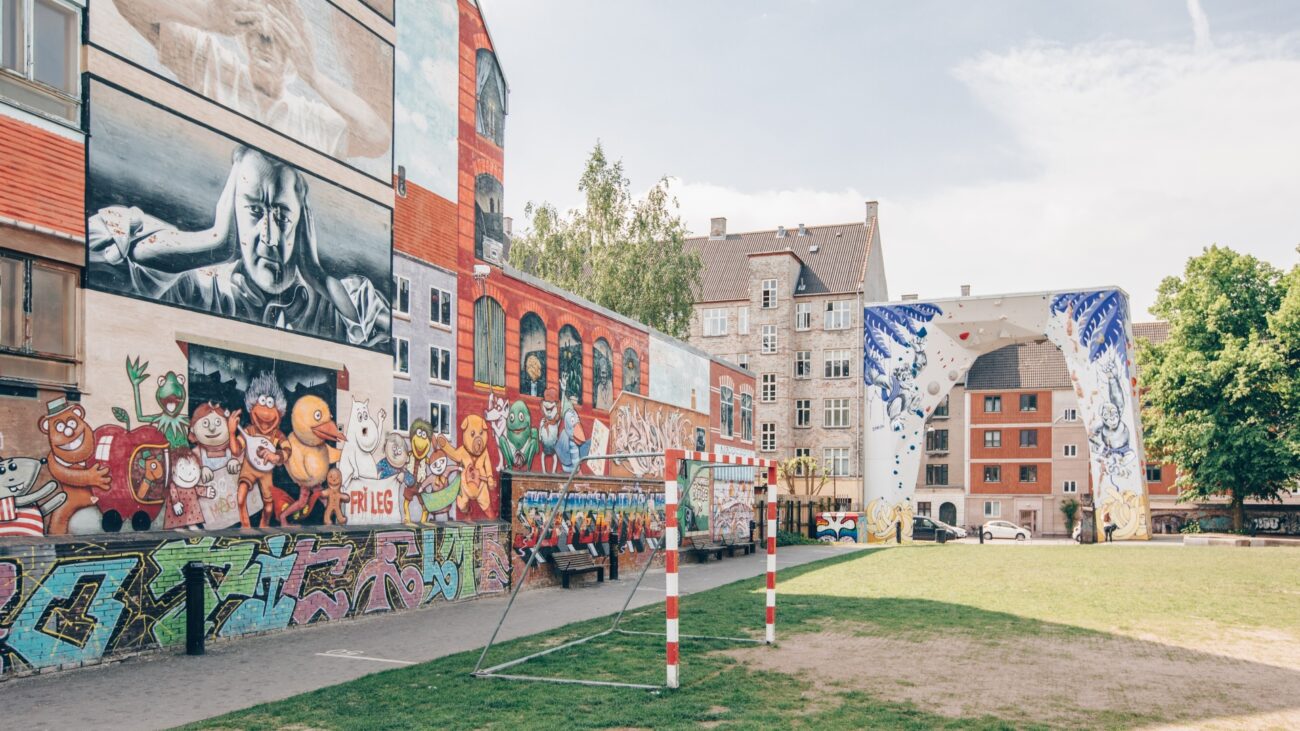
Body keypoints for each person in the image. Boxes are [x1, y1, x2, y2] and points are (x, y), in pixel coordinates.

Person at [89, 146, 390, 347]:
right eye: (255, 212)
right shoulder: (204, 287)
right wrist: (215, 243)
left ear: (302, 225)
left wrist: (318, 275)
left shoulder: (335, 303)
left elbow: (387, 338)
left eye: (283, 215)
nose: (269, 237)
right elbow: (103, 249)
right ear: (233, 213)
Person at [111, 0, 389, 160]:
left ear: (296, 52)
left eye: (275, 37)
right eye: (255, 31)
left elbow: (377, 138)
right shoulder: (212, 66)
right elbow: (128, 4)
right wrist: (207, 18)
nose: (263, 42)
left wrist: (314, 76)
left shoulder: (311, 120)